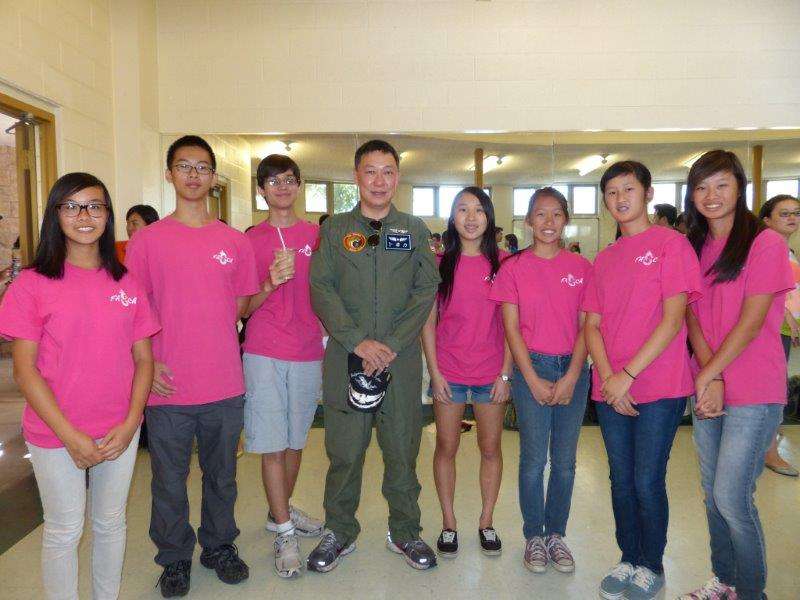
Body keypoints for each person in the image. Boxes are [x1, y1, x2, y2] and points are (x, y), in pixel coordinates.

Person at [0, 172, 159, 600]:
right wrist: (70, 436)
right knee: (64, 528)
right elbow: (25, 371)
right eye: (70, 206)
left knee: (111, 524)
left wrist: (130, 424)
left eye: (94, 205)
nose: (83, 215)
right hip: (56, 433)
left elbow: (144, 359)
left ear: (107, 215)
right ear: (55, 215)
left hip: (118, 429)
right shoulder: (31, 284)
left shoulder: (126, 283)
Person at [126, 135, 258, 597]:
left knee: (223, 476)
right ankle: (175, 557)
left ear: (213, 177)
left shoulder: (234, 241)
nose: (193, 175)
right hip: (168, 388)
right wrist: (145, 365)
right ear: (169, 174)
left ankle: (219, 546)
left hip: (224, 383)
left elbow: (241, 306)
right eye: (184, 166)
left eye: (202, 167)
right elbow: (131, 310)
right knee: (168, 481)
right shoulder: (147, 242)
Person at [308, 139, 440, 572]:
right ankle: (339, 531)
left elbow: (426, 288)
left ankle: (405, 532)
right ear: (356, 176)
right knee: (344, 451)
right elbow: (320, 288)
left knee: (402, 449)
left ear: (398, 177)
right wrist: (357, 341)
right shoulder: (334, 230)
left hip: (399, 362)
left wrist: (394, 343)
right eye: (370, 171)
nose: (379, 181)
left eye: (388, 172)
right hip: (347, 356)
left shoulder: (414, 230)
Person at [584, 161, 701, 600]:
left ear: (647, 193)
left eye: (628, 189)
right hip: (613, 388)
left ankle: (651, 565)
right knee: (620, 478)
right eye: (611, 192)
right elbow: (592, 325)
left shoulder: (672, 244)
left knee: (647, 479)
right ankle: (628, 558)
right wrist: (611, 379)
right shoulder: (605, 258)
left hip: (659, 387)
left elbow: (674, 319)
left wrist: (628, 374)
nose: (620, 199)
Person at [679, 151, 793, 600]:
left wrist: (712, 373)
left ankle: (751, 593)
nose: (711, 196)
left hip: (755, 388)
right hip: (708, 384)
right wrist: (709, 376)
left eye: (721, 185)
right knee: (711, 495)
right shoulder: (693, 245)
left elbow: (751, 320)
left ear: (740, 187)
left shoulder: (765, 243)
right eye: (702, 187)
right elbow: (688, 313)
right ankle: (724, 582)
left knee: (732, 497)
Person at [491, 187, 592, 575]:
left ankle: (556, 535)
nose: (548, 223)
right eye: (540, 215)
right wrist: (529, 378)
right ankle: (534, 534)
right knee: (534, 459)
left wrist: (570, 376)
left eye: (556, 215)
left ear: (565, 219)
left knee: (565, 462)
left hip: (574, 370)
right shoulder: (513, 268)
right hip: (529, 365)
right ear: (528, 221)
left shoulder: (582, 269)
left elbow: (588, 327)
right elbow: (511, 329)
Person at [242, 154, 324, 578]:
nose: (282, 187)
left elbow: (330, 295)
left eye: (290, 180)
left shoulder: (316, 235)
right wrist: (270, 282)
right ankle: (285, 531)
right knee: (273, 443)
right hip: (264, 351)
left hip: (308, 350)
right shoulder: (250, 239)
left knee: (295, 441)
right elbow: (241, 309)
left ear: (299, 185)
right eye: (273, 181)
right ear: (261, 189)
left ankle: (280, 512)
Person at [421, 187, 511, 558]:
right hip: (450, 373)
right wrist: (435, 374)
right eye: (462, 210)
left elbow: (512, 325)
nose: (471, 217)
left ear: (489, 217)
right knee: (447, 446)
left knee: (490, 448)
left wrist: (506, 375)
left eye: (478, 210)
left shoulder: (505, 263)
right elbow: (428, 322)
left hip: (491, 374)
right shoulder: (439, 264)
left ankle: (486, 521)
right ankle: (448, 523)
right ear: (452, 218)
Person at [759, 193, 800, 477]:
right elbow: (770, 291)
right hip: (772, 328)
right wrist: (786, 317)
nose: (792, 218)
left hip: (785, 327)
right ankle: (770, 452)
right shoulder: (768, 249)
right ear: (767, 220)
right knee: (772, 391)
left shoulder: (788, 250)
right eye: (784, 213)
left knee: (776, 388)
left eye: (796, 212)